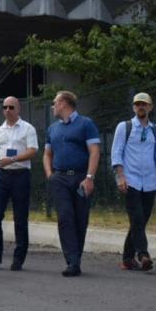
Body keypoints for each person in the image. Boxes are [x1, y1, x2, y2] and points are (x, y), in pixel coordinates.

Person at [111, 92, 156, 271]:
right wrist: (120, 176)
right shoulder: (124, 127)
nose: (140, 107)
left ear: (150, 107)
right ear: (133, 107)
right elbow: (116, 152)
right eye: (137, 104)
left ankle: (127, 259)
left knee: (141, 221)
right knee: (136, 217)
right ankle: (143, 254)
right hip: (130, 181)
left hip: (150, 181)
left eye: (144, 104)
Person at [43, 90, 101, 277]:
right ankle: (72, 262)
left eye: (54, 102)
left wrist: (90, 177)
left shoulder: (86, 124)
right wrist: (50, 174)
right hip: (59, 178)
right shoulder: (52, 129)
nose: (52, 106)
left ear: (63, 103)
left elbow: (94, 151)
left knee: (80, 219)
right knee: (65, 217)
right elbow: (47, 154)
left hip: (80, 178)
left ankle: (76, 259)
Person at [0, 97, 39, 271]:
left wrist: (13, 159)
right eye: (5, 107)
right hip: (2, 175)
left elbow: (32, 151)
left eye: (11, 107)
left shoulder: (27, 128)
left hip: (20, 174)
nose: (8, 110)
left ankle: (18, 258)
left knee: (20, 218)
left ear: (18, 109)